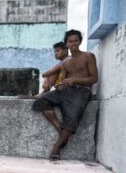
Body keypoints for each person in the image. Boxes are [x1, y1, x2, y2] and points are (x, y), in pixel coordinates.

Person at [32, 29, 98, 160]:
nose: (73, 43)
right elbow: (62, 80)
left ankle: (56, 147)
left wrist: (75, 80)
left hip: (83, 91)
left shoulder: (88, 56)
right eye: (70, 41)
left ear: (80, 42)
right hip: (67, 90)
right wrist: (59, 85)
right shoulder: (65, 63)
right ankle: (59, 126)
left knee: (72, 116)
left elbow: (94, 79)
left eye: (76, 41)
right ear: (66, 43)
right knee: (40, 102)